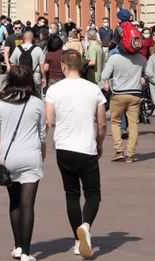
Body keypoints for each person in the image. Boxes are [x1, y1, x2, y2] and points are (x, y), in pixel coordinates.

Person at [45, 50, 106, 259]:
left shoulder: (54, 89)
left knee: (71, 195)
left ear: (63, 65)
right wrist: (100, 143)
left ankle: (79, 240)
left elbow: (48, 121)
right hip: (87, 146)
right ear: (81, 65)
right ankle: (86, 226)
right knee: (93, 194)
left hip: (63, 147)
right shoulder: (93, 89)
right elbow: (102, 123)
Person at [0, 65, 47, 261]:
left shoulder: (1, 103)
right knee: (28, 205)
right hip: (31, 156)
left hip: (9, 157)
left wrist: (3, 148)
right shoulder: (37, 103)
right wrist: (42, 154)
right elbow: (42, 134)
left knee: (14, 202)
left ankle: (18, 247)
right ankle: (27, 253)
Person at [100, 44, 148, 162]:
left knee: (115, 122)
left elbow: (104, 75)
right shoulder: (141, 58)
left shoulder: (115, 58)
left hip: (118, 94)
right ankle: (130, 154)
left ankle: (119, 151)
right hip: (135, 94)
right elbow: (149, 74)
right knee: (133, 124)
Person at [9, 30, 46, 94]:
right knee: (36, 99)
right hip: (35, 78)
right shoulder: (38, 49)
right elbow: (42, 66)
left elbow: (12, 65)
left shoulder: (17, 49)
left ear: (23, 38)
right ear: (33, 38)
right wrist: (44, 77)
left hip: (21, 78)